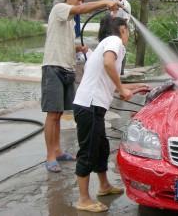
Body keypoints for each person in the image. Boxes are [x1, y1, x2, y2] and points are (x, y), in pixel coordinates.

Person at [72, 17, 149, 212]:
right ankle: (83, 199)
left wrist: (135, 87)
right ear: (122, 29)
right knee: (88, 151)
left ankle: (104, 186)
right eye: (128, 30)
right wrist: (122, 90)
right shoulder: (114, 41)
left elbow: (111, 84)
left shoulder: (107, 45)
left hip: (93, 106)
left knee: (101, 147)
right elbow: (108, 64)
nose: (129, 35)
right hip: (89, 105)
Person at [41, 0, 119, 173]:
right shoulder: (60, 9)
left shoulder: (69, 21)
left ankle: (58, 151)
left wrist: (78, 48)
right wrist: (104, 3)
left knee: (59, 114)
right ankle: (50, 156)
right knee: (52, 115)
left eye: (84, 0)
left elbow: (63, 41)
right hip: (53, 67)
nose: (81, 3)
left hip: (67, 70)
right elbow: (79, 10)